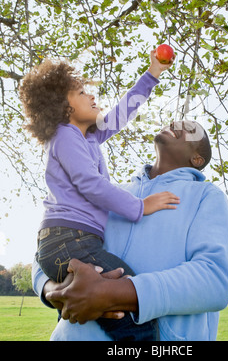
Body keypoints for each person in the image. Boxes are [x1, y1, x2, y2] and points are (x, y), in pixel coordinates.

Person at [19, 51, 180, 341]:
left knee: (86, 313)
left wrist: (152, 73)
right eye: (81, 92)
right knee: (130, 297)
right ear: (63, 106)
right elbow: (90, 184)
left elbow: (121, 114)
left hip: (72, 242)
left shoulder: (88, 137)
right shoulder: (65, 135)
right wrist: (140, 206)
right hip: (68, 241)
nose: (91, 96)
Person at [32, 120, 228, 341]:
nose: (177, 124)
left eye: (191, 129)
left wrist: (112, 294)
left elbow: (215, 279)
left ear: (197, 159)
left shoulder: (207, 196)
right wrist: (54, 289)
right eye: (176, 122)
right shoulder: (109, 192)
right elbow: (52, 243)